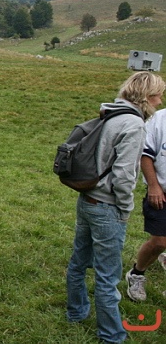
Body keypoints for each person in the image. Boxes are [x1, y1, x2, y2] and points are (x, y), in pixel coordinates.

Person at [66, 71, 165, 344]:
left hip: (87, 199)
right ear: (146, 96)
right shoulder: (134, 124)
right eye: (158, 95)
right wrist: (125, 208)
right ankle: (111, 335)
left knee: (78, 262)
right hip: (107, 207)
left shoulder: (111, 112)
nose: (160, 101)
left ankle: (75, 312)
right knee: (107, 277)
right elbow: (123, 176)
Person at [125, 102, 166, 302]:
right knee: (159, 242)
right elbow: (146, 154)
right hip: (162, 193)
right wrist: (153, 186)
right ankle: (137, 273)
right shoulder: (159, 119)